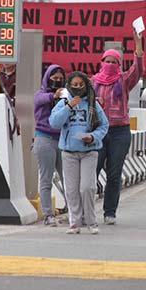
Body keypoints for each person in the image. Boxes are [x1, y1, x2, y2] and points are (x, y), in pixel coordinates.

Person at [92, 32, 144, 225]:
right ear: (102, 61)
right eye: (108, 61)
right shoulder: (93, 82)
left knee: (114, 174)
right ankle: (88, 210)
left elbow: (138, 68)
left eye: (115, 62)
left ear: (120, 64)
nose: (111, 64)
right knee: (92, 172)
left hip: (119, 132)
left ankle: (109, 211)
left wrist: (138, 42)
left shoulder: (123, 80)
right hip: (97, 133)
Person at [50, 72, 109, 235]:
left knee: (87, 188)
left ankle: (91, 221)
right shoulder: (63, 103)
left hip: (89, 151)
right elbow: (54, 122)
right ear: (69, 85)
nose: (77, 88)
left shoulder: (93, 105)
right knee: (71, 189)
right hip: (69, 152)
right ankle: (74, 222)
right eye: (74, 85)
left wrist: (93, 137)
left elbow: (104, 125)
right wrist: (69, 106)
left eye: (80, 85)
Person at [34, 64, 67, 226]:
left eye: (61, 79)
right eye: (54, 79)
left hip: (63, 139)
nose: (58, 81)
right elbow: (39, 100)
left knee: (68, 179)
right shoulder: (41, 94)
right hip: (44, 138)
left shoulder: (67, 95)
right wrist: (53, 96)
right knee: (46, 179)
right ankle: (48, 215)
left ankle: (73, 211)